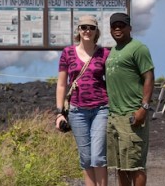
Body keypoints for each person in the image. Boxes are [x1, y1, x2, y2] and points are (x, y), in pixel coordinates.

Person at [55, 14, 111, 186]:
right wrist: (59, 113)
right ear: (78, 30)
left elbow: (112, 81)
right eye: (84, 27)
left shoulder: (105, 53)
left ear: (96, 31)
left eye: (91, 28)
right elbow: (62, 84)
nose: (87, 31)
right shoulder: (68, 53)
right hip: (76, 110)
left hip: (100, 108)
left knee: (98, 157)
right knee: (86, 158)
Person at [105, 13, 155, 186]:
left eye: (122, 25)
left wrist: (144, 107)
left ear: (129, 28)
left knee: (136, 165)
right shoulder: (112, 51)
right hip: (114, 116)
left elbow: (149, 77)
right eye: (114, 26)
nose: (117, 28)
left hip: (132, 114)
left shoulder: (138, 48)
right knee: (120, 165)